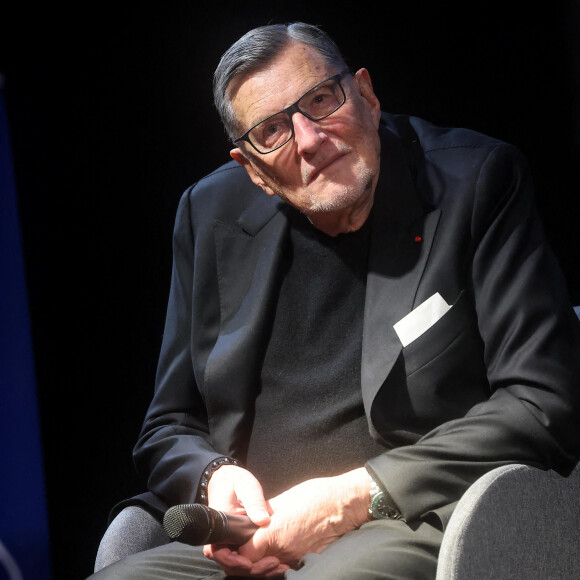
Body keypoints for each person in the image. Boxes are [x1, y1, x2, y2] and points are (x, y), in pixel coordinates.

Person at [90, 22, 580, 579]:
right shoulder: (209, 215)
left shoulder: (477, 182)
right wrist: (214, 478)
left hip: (407, 516)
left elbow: (544, 402)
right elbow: (168, 425)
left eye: (321, 101)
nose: (309, 138)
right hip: (250, 536)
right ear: (252, 170)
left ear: (367, 95)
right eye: (272, 131)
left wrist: (348, 498)